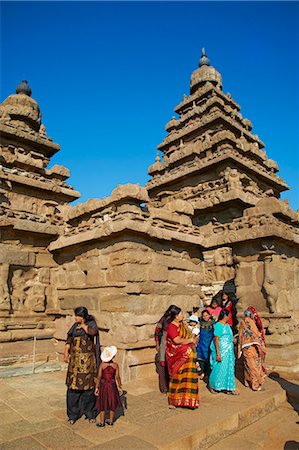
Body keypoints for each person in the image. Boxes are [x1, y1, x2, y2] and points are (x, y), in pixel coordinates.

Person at [64, 306, 100, 424]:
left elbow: (93, 332)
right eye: (75, 315)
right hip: (74, 364)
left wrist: (84, 325)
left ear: (83, 316)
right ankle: (72, 415)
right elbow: (69, 339)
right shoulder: (74, 327)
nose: (76, 318)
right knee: (73, 390)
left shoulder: (91, 324)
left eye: (78, 316)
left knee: (88, 390)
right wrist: (66, 352)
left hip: (87, 364)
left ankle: (90, 413)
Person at [166, 305, 199, 409]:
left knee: (188, 377)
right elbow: (177, 341)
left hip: (187, 354)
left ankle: (188, 400)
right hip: (177, 355)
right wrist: (190, 341)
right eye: (180, 314)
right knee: (178, 377)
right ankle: (174, 400)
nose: (182, 315)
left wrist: (193, 337)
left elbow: (189, 336)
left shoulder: (183, 325)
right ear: (175, 316)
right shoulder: (172, 326)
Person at [209, 309, 237, 395]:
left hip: (228, 351)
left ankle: (227, 387)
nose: (230, 317)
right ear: (225, 316)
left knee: (228, 368)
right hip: (221, 350)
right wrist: (218, 353)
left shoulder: (227, 326)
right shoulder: (218, 325)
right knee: (218, 368)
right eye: (229, 315)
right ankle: (213, 386)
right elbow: (216, 339)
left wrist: (233, 340)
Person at [238, 306, 266, 391]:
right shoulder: (250, 322)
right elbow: (255, 335)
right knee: (253, 366)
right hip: (252, 347)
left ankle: (248, 381)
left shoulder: (242, 322)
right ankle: (255, 384)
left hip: (246, 347)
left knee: (248, 365)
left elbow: (240, 336)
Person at [95, 346, 122, 427]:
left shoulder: (102, 365)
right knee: (112, 403)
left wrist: (96, 387)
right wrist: (120, 386)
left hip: (104, 386)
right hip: (112, 385)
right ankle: (110, 421)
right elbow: (117, 377)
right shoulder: (115, 365)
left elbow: (99, 377)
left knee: (102, 403)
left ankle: (102, 422)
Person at [154, 305, 175, 393]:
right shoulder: (163, 320)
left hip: (173, 346)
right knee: (162, 365)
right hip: (164, 344)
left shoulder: (177, 321)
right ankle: (164, 388)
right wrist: (157, 344)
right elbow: (157, 332)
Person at [196, 310, 215, 380]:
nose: (205, 317)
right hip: (202, 343)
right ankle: (203, 372)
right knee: (201, 359)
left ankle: (208, 373)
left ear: (209, 315)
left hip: (210, 343)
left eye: (206, 315)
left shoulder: (213, 323)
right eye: (203, 316)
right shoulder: (200, 323)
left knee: (209, 358)